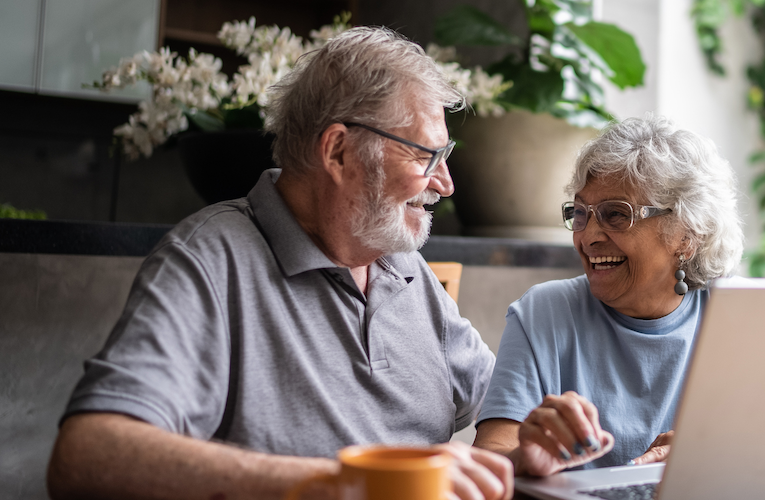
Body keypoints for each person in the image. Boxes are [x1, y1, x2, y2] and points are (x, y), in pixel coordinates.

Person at [46, 27, 512, 500]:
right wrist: (346, 484)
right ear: (338, 151)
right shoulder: (209, 260)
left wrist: (503, 458)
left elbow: (506, 404)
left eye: (444, 155)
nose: (445, 183)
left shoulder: (404, 267)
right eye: (425, 155)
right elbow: (85, 455)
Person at [472, 116, 744, 476]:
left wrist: (710, 459)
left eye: (616, 215)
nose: (588, 236)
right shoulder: (543, 312)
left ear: (687, 236)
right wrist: (524, 459)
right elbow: (488, 462)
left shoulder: (735, 320)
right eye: (581, 214)